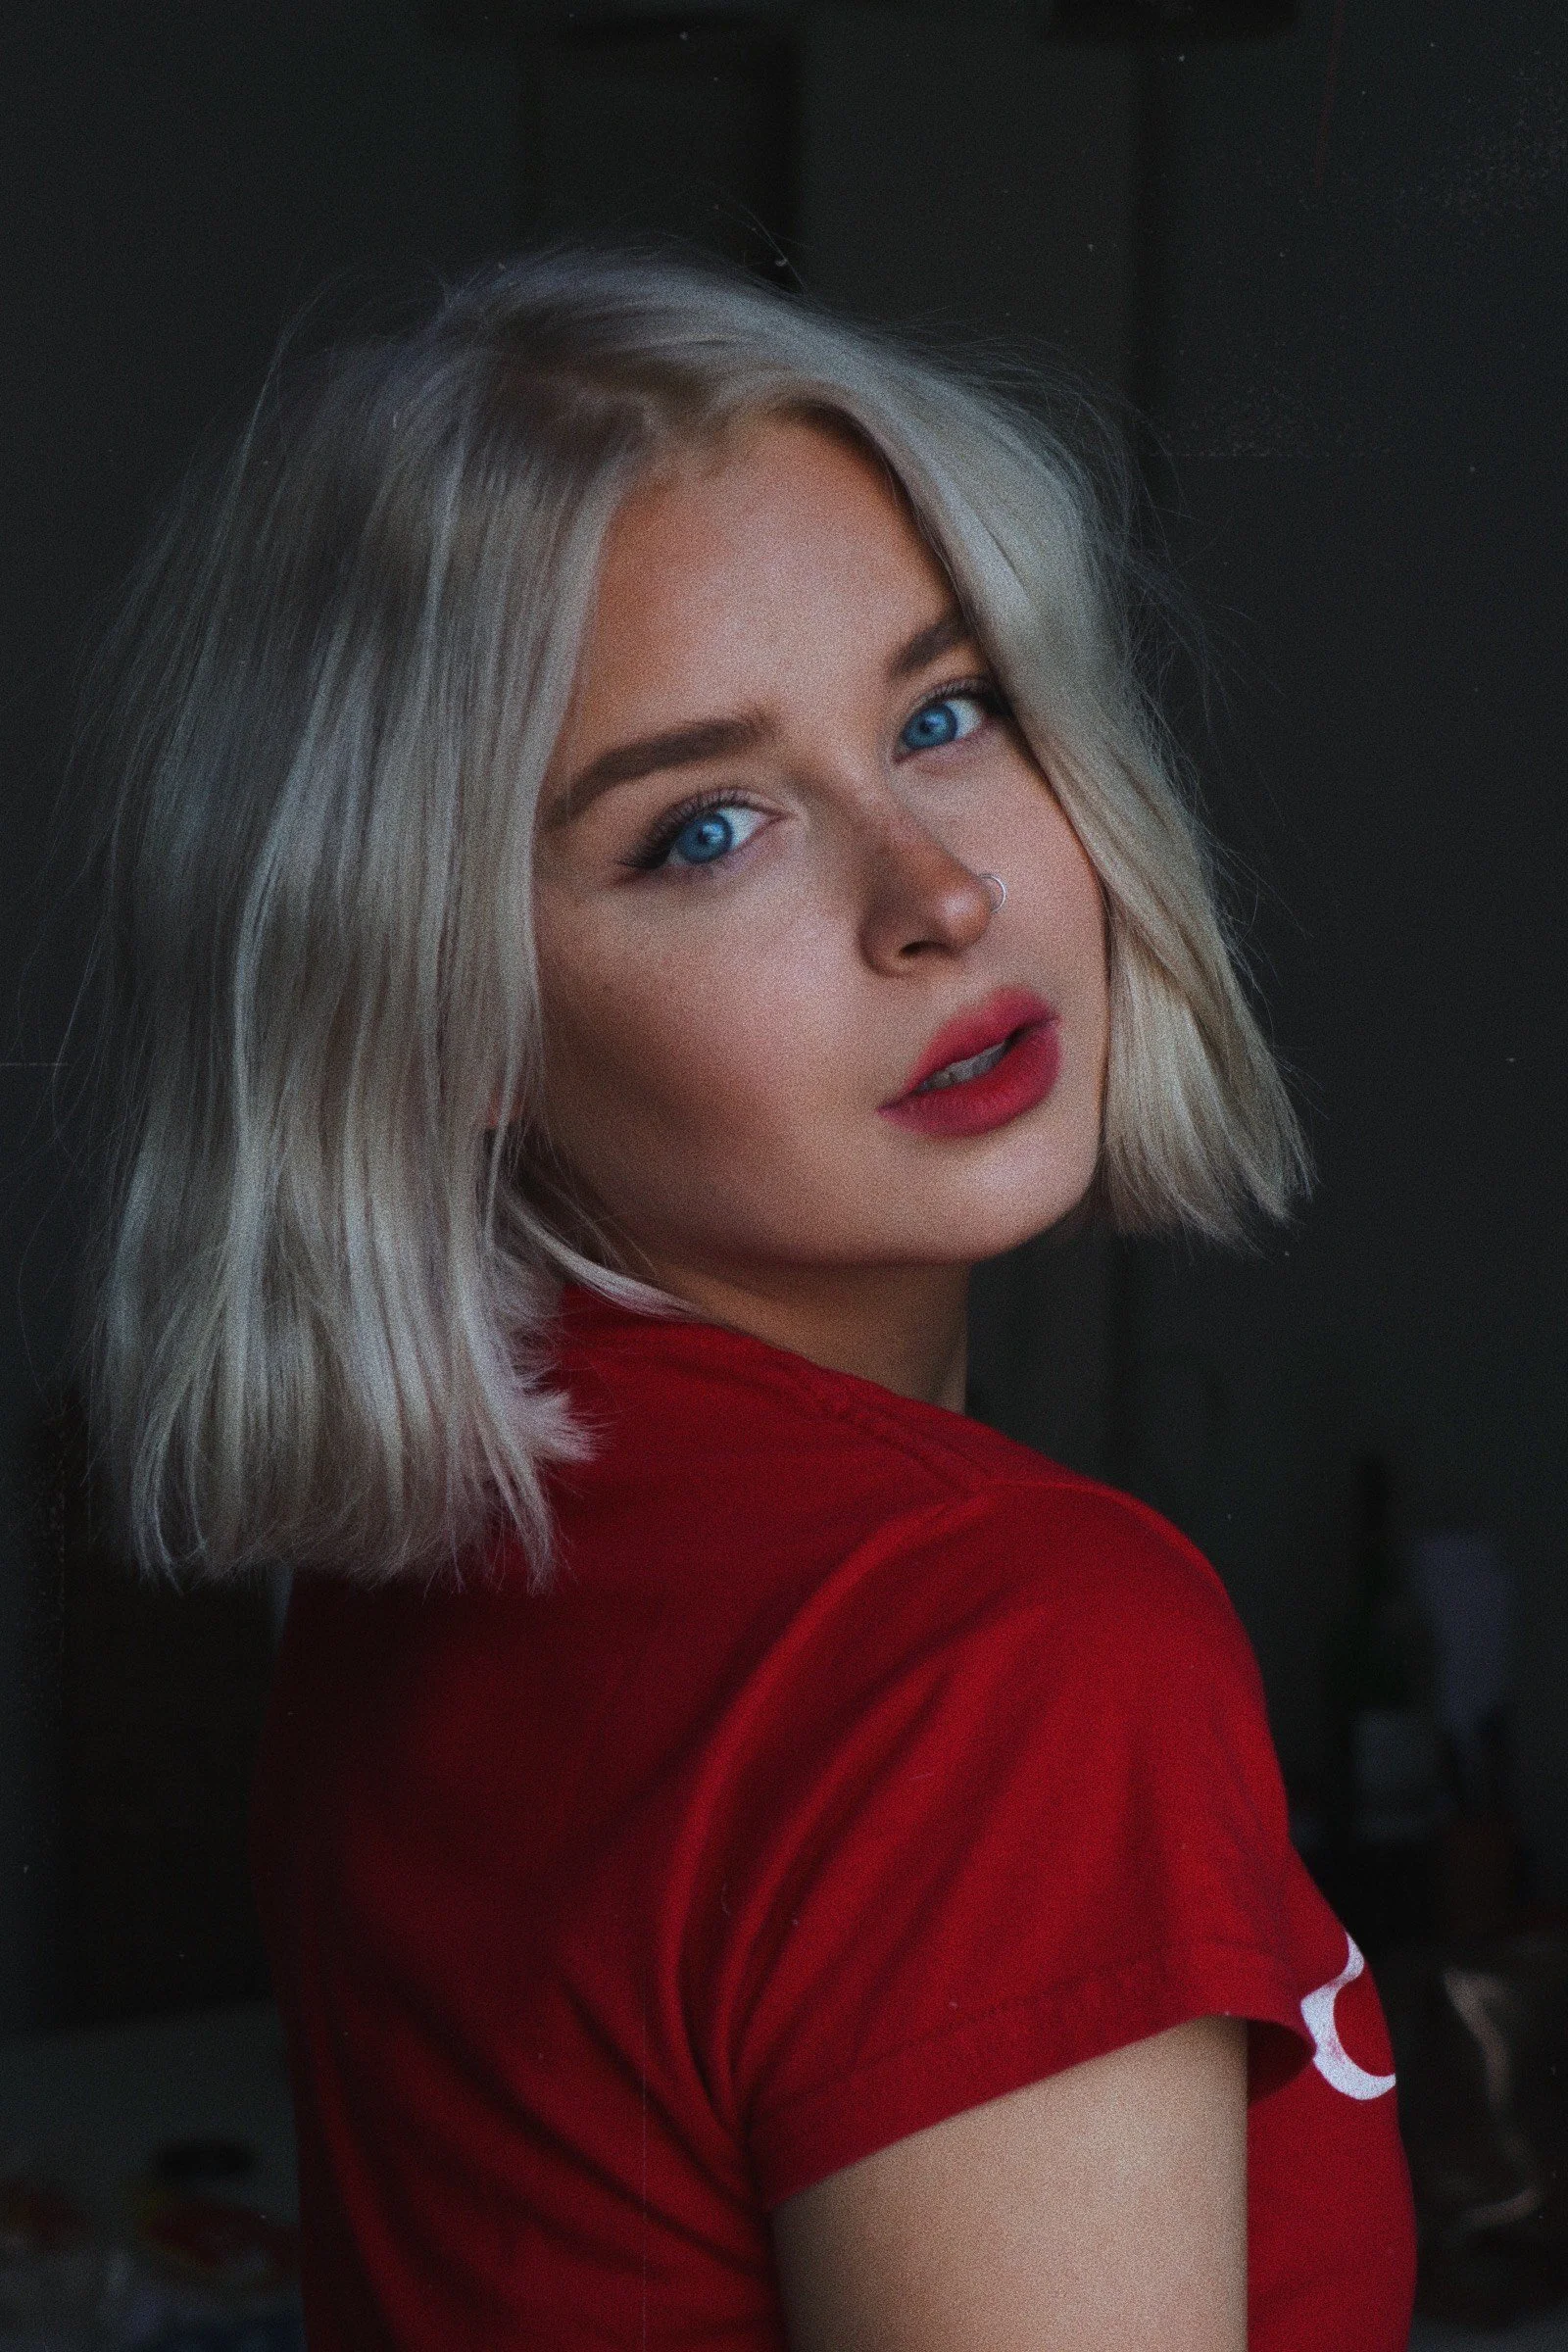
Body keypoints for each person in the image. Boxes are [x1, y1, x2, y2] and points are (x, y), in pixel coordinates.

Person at [76, 249, 1416, 2348]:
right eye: (706, 829)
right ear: (446, 1012)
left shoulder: (451, 1542)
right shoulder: (1001, 1652)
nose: (938, 891)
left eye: (945, 713)